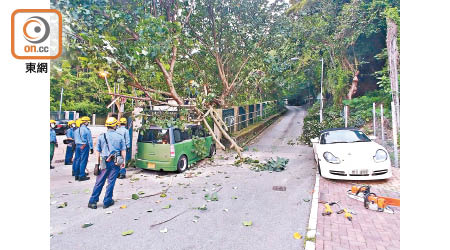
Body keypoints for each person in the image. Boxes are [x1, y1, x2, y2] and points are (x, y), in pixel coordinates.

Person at [88, 117, 126, 209]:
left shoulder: (101, 136)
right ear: (115, 126)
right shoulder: (120, 137)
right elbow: (123, 151)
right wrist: (123, 162)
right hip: (115, 162)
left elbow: (98, 151)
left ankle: (93, 202)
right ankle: (107, 201)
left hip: (104, 161)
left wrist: (97, 164)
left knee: (99, 181)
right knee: (111, 182)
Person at [73, 116, 93, 181]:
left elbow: (75, 139)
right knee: (83, 160)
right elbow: (89, 140)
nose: (88, 123)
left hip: (77, 146)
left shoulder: (76, 130)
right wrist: (91, 148)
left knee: (77, 160)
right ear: (86, 122)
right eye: (88, 122)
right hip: (84, 146)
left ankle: (76, 175)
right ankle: (81, 175)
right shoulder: (87, 130)